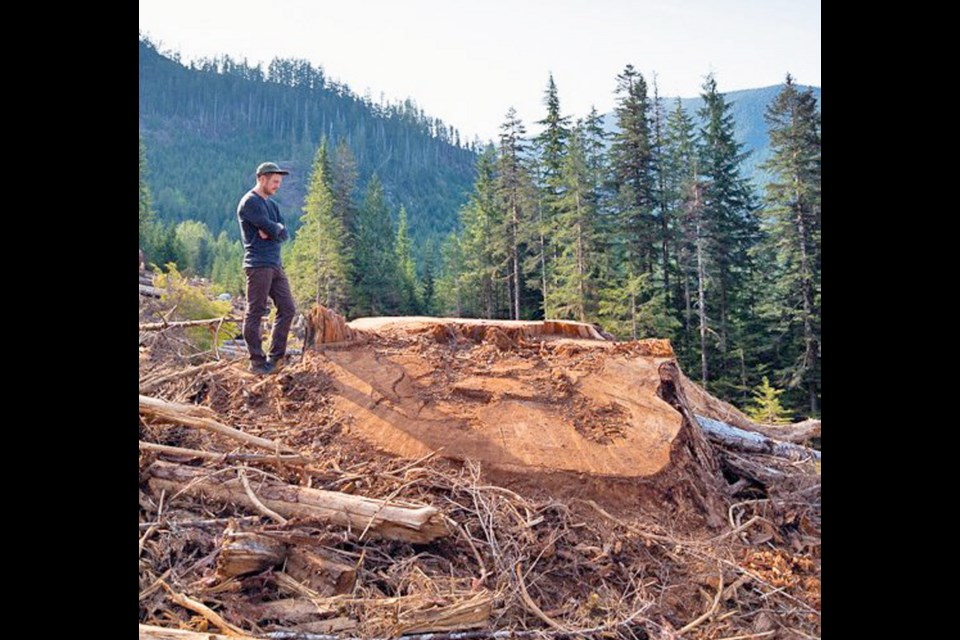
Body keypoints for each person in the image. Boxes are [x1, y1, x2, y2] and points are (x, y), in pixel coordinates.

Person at [237, 161, 297, 375]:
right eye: (274, 181)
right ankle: (257, 362)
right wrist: (273, 229)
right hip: (258, 264)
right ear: (261, 178)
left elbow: (283, 233)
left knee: (288, 308)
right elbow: (273, 229)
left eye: (279, 182)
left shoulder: (272, 205)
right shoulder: (250, 202)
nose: (277, 185)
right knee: (255, 312)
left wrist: (274, 230)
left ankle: (276, 358)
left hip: (275, 264)